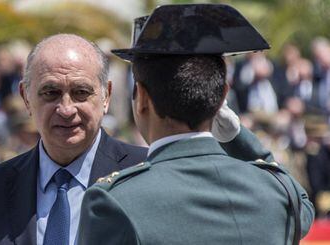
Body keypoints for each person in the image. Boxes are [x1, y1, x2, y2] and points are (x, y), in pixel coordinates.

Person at [0, 33, 274, 245]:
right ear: (26, 98)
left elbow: (280, 203)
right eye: (50, 93)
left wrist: (234, 136)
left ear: (107, 96)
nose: (66, 109)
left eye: (81, 92)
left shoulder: (154, 173)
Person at [78, 4, 314, 245]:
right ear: (223, 97)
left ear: (142, 98)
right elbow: (296, 197)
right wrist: (238, 139)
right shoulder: (275, 192)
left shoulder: (114, 201)